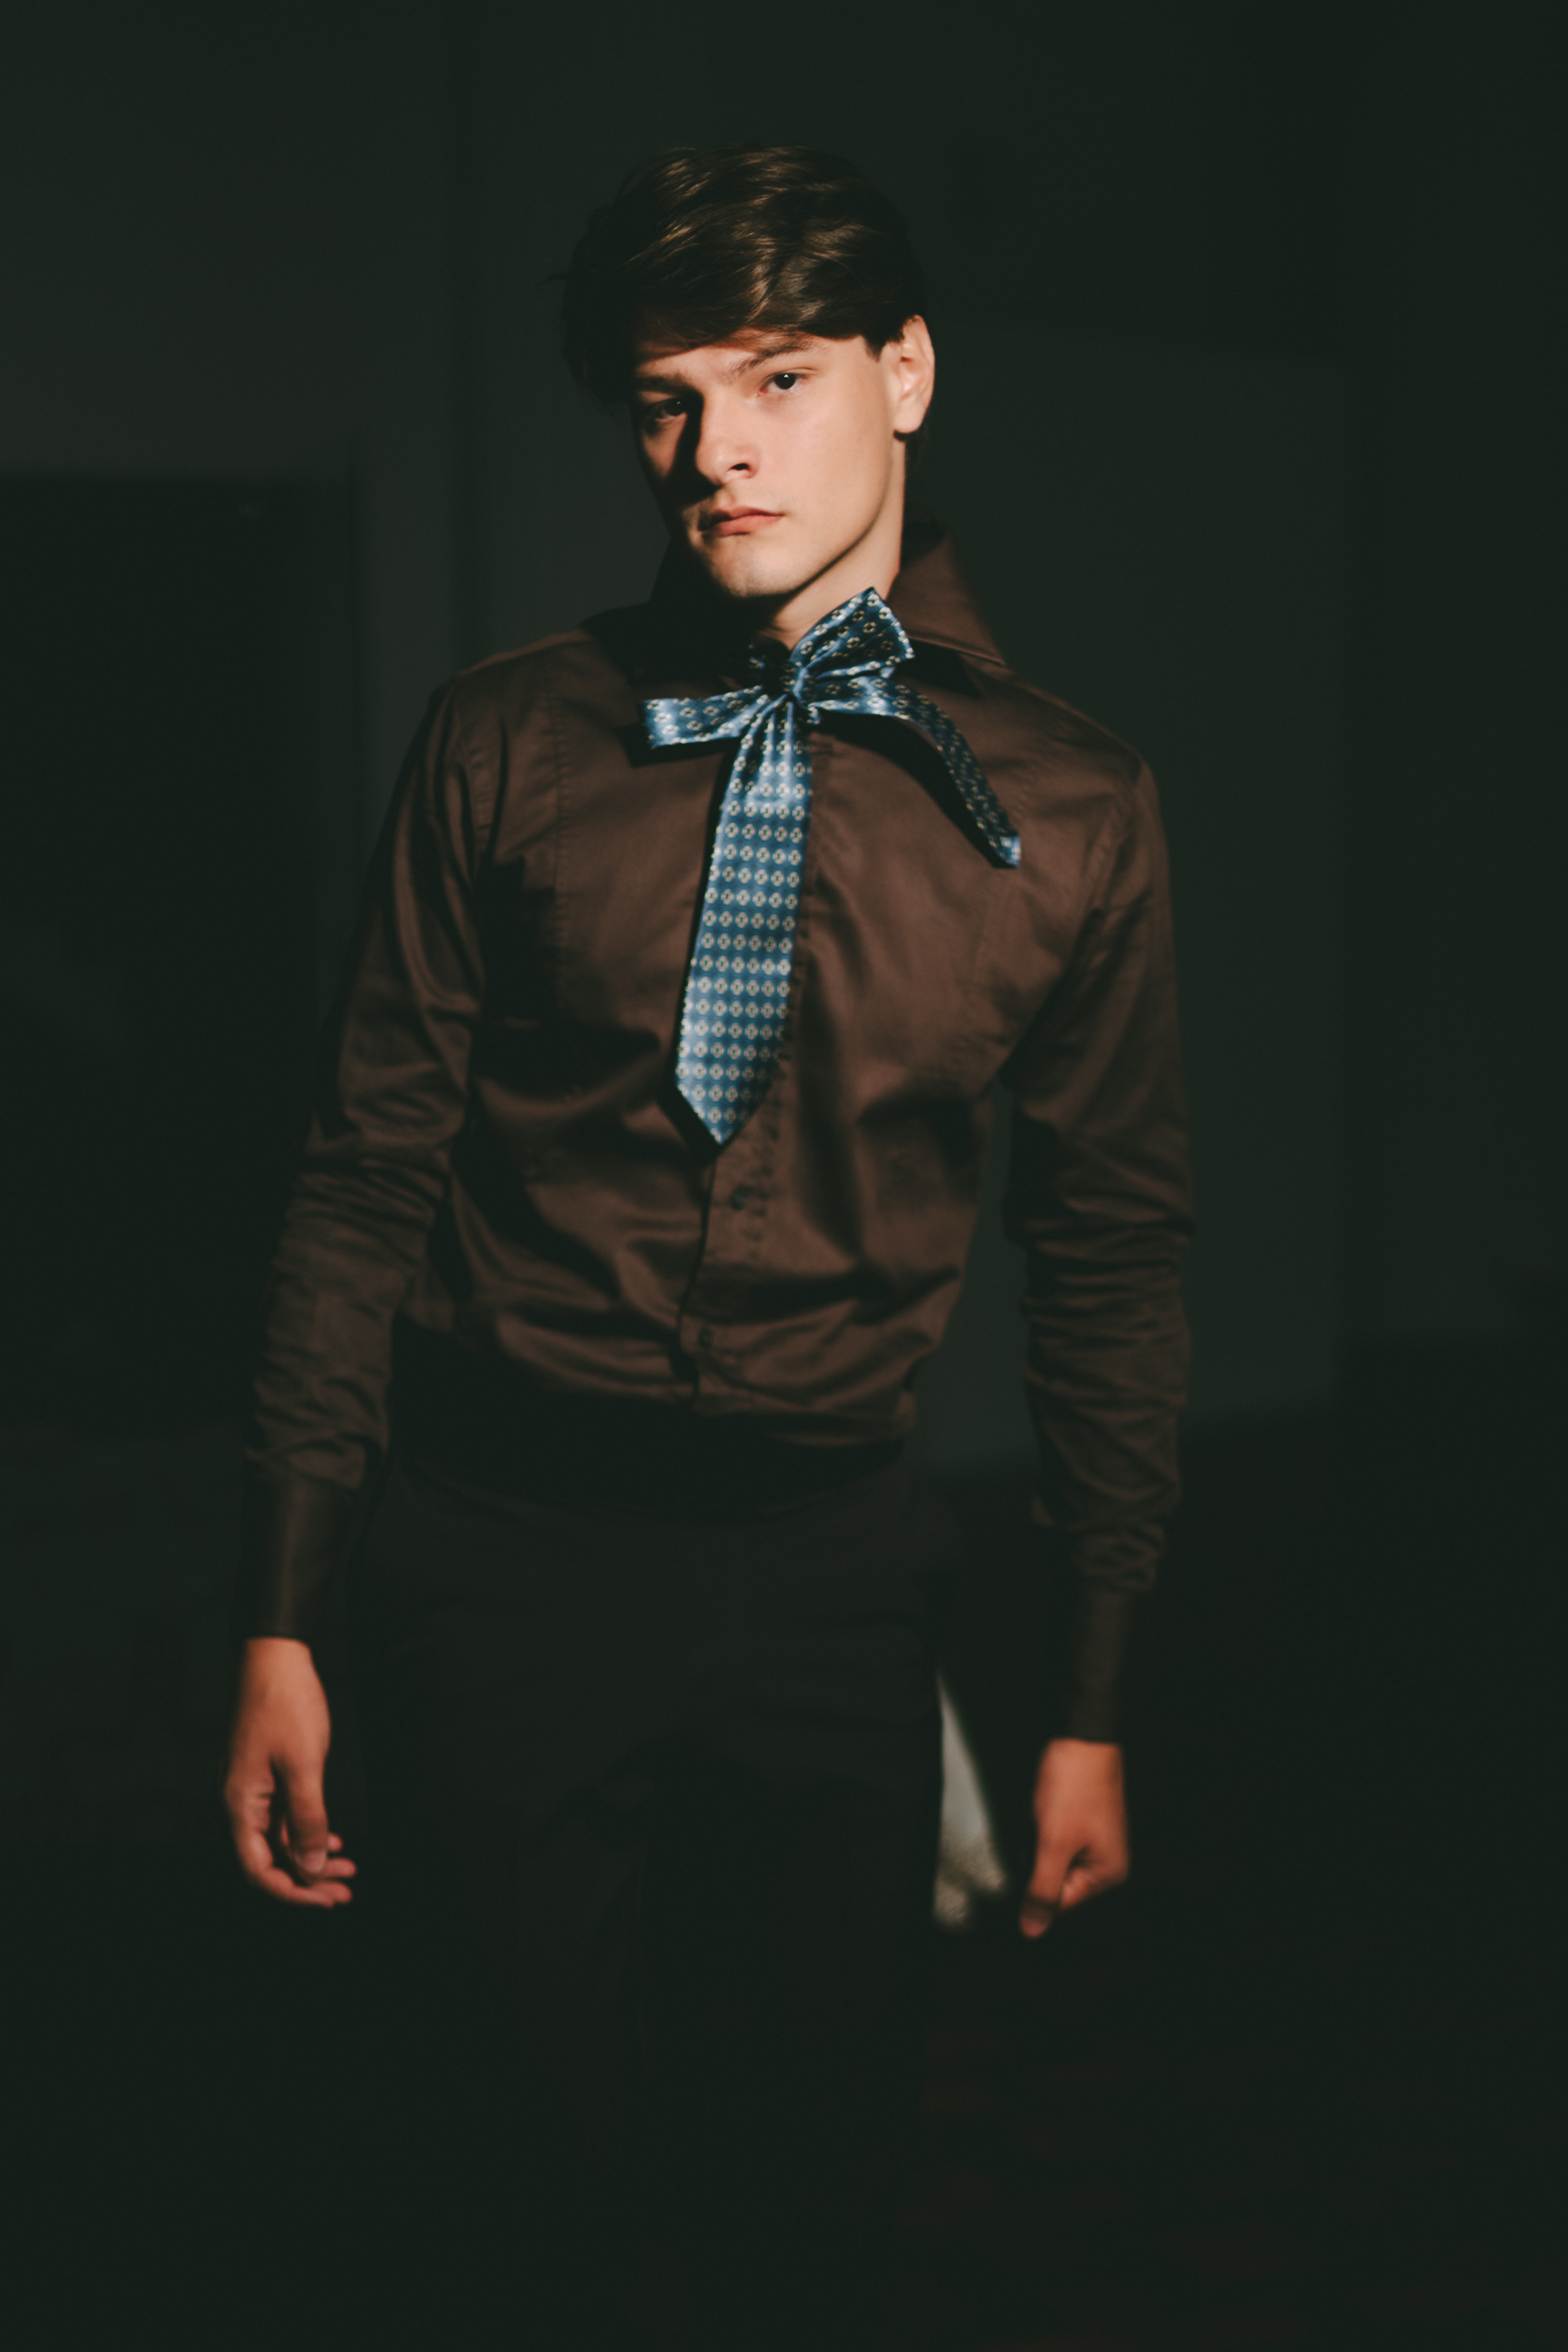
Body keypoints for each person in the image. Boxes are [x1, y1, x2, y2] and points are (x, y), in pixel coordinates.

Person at [224, 143, 1191, 2350]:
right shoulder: (504, 736)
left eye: (775, 377)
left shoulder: (1076, 806)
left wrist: (1088, 1701)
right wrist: (281, 1603)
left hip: (828, 1571)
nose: (716, 452)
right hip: (496, 1548)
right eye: (664, 401)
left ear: (904, 371)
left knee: (815, 2195)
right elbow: (360, 1177)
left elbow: (1112, 1254)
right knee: (503, 2193)